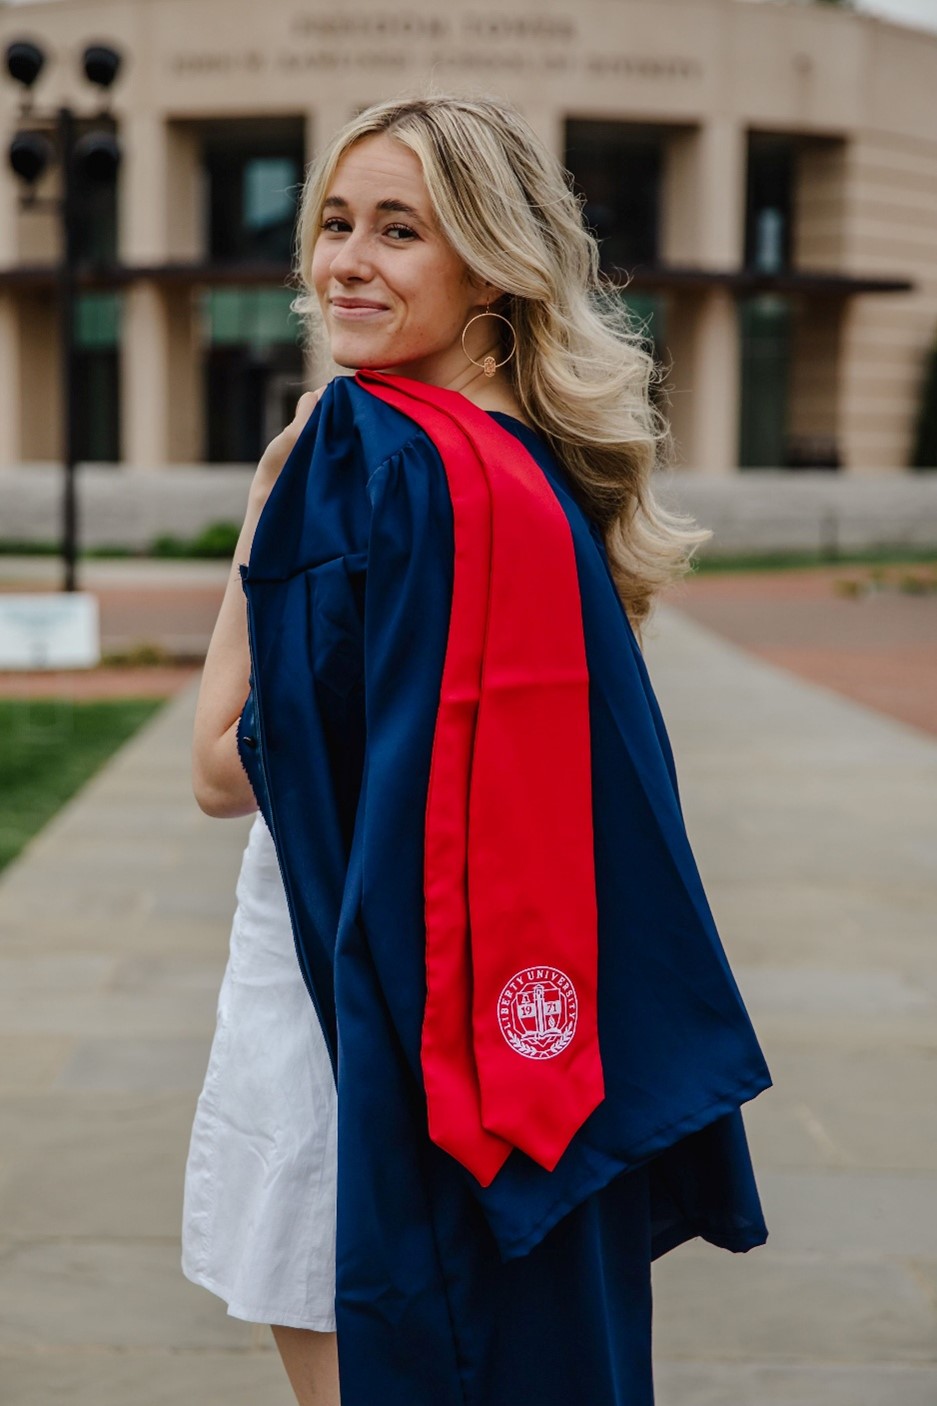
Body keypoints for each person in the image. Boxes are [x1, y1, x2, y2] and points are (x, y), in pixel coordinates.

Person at [185, 93, 772, 1406]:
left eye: (400, 229)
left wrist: (261, 510)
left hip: (354, 1014)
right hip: (514, 1027)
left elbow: (224, 766)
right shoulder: (531, 472)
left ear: (490, 264)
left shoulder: (352, 456)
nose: (345, 260)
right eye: (334, 222)